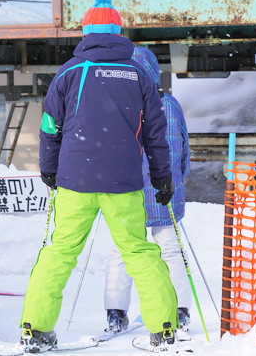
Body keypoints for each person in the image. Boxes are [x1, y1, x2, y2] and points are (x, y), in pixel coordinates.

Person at [19, 0, 179, 353]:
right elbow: (156, 132)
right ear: (118, 32)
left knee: (59, 251)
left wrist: (49, 169)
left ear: (87, 32)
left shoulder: (70, 72)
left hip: (75, 180)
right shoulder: (138, 75)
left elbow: (49, 126)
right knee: (139, 252)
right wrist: (162, 178)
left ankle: (36, 328)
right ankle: (164, 328)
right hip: (122, 182)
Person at [103, 46, 192, 339]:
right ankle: (179, 309)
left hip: (127, 192)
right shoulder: (170, 105)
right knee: (169, 249)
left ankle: (116, 312)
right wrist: (178, 175)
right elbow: (183, 149)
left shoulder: (118, 105)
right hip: (165, 189)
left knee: (122, 251)